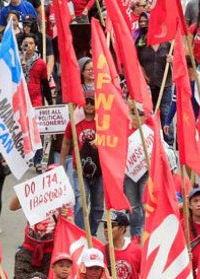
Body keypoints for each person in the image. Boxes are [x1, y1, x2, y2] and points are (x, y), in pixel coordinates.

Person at [59, 90, 103, 233]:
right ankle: (81, 233)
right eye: (86, 102)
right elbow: (66, 143)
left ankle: (92, 233)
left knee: (98, 205)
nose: (89, 105)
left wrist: (101, 142)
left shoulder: (103, 123)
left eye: (92, 102)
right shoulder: (75, 122)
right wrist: (61, 163)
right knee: (81, 202)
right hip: (79, 169)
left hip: (100, 170)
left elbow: (113, 142)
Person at [105, 211, 142, 279]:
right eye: (105, 226)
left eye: (111, 226)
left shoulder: (137, 251)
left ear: (122, 229)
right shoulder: (102, 252)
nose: (106, 230)